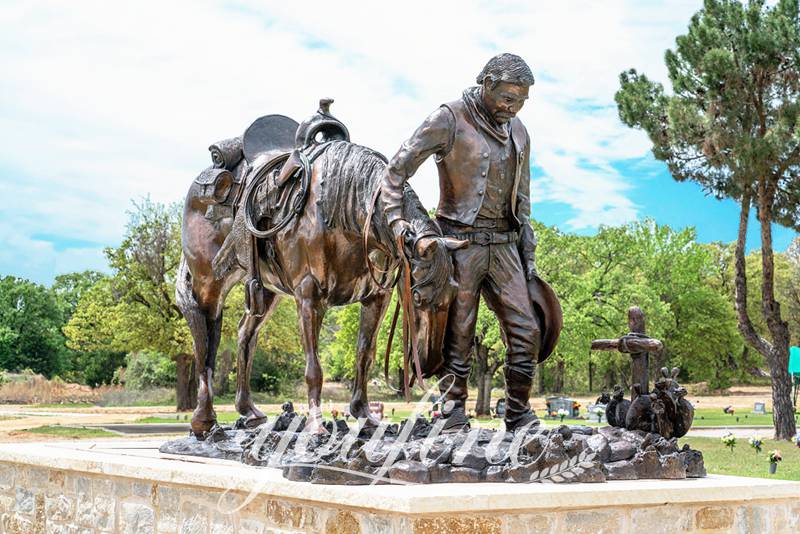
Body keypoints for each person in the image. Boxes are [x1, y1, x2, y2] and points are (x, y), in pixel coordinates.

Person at [381, 53, 540, 432]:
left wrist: (526, 240)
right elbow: (396, 170)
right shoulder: (448, 118)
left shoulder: (519, 131)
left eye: (520, 100)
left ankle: (518, 412)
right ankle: (452, 410)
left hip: (505, 245)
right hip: (458, 243)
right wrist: (397, 219)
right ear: (486, 83)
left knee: (527, 330)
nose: (513, 107)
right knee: (459, 332)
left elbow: (524, 194)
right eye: (506, 97)